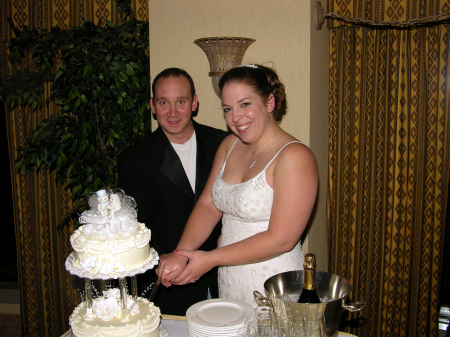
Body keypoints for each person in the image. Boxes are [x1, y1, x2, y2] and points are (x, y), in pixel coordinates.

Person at [156, 64, 319, 306]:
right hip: (231, 276)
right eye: (227, 109)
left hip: (274, 281)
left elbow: (281, 239)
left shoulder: (295, 156)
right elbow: (208, 206)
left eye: (245, 104)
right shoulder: (228, 145)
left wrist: (210, 259)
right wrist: (182, 254)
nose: (235, 118)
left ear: (269, 102)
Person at [117, 67, 228, 315]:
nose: (173, 112)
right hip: (171, 285)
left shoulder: (223, 143)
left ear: (194, 103)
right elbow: (139, 228)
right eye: (163, 102)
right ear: (153, 106)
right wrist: (171, 265)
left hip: (224, 274)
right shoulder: (134, 160)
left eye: (181, 101)